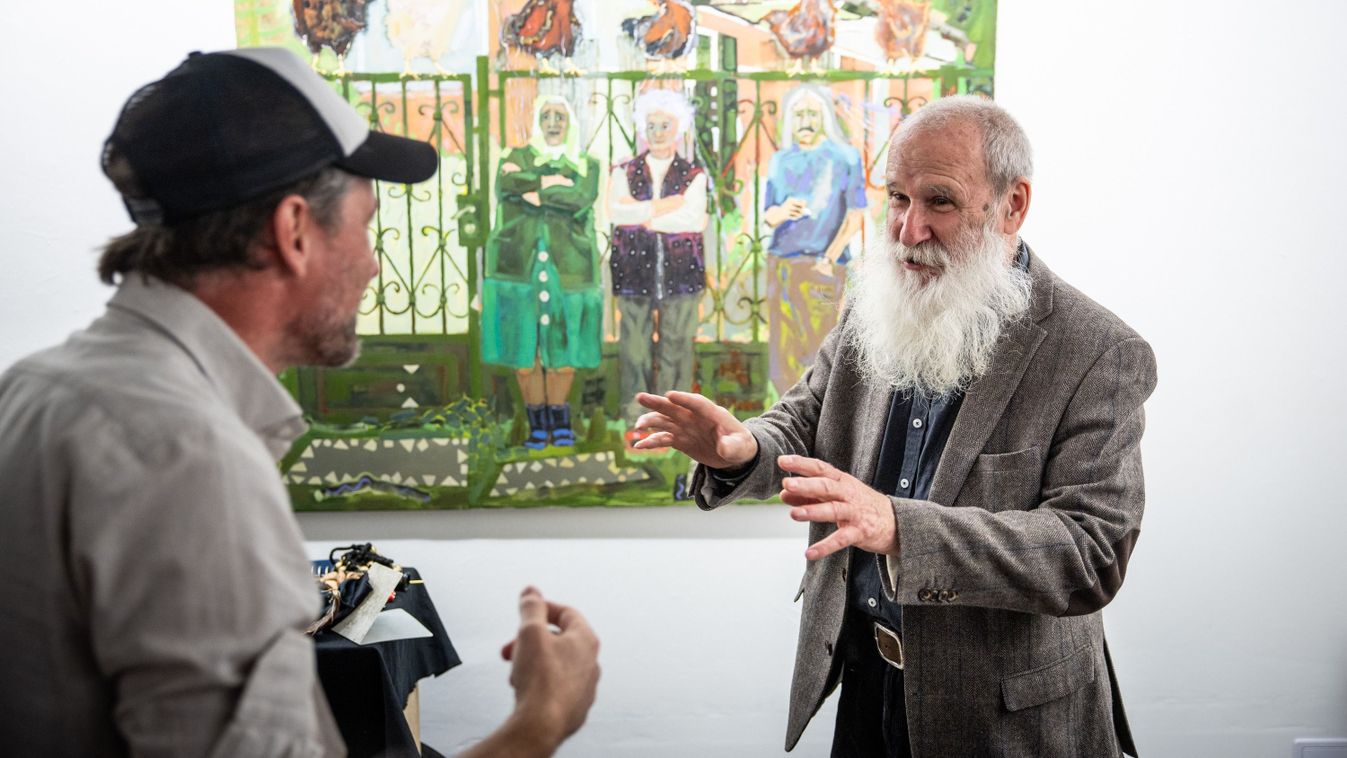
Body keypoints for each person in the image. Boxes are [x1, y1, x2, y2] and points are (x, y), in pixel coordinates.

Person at [0, 48, 599, 758]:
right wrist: (540, 721)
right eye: (366, 225)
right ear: (294, 231)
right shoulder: (190, 455)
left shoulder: (34, 389)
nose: (375, 263)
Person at [633, 95, 1156, 757]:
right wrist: (740, 448)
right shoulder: (878, 301)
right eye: (896, 198)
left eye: (939, 201)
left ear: (1012, 205)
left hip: (1004, 720)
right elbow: (803, 420)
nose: (908, 230)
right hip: (865, 682)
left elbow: (1090, 553)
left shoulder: (1097, 352)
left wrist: (899, 528)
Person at [483, 94, 603, 449]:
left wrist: (534, 189)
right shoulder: (512, 157)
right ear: (537, 120)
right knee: (526, 352)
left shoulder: (587, 162)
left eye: (560, 116)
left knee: (563, 352)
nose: (553, 122)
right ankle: (537, 424)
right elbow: (506, 188)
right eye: (547, 115)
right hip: (519, 266)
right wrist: (553, 184)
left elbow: (580, 199)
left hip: (570, 268)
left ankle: (561, 422)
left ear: (570, 123)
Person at [607, 88, 709, 446]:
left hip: (682, 274)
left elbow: (694, 219)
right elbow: (616, 213)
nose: (658, 132)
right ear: (642, 131)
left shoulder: (694, 173)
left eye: (665, 125)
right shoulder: (624, 170)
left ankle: (674, 421)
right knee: (633, 351)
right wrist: (665, 207)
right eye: (651, 125)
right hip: (633, 273)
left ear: (678, 129)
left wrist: (643, 213)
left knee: (676, 348)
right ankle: (635, 416)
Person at [762, 83, 867, 397]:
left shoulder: (845, 157)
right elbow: (768, 215)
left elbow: (856, 214)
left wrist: (829, 258)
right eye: (797, 114)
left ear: (824, 117)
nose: (804, 120)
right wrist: (781, 212)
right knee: (782, 348)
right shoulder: (780, 160)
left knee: (818, 347)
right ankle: (782, 421)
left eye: (811, 113)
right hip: (781, 260)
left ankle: (815, 422)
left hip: (822, 264)